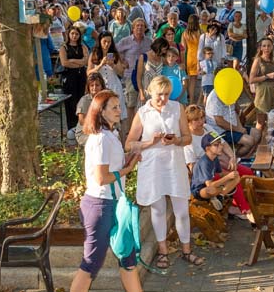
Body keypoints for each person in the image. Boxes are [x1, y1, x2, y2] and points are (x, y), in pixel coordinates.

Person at [125, 76, 201, 270]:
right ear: (151, 92)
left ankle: (186, 250)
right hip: (152, 167)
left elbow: (187, 138)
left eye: (167, 94)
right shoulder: (143, 112)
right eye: (160, 94)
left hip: (174, 163)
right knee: (158, 209)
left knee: (181, 210)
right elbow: (129, 144)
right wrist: (150, 142)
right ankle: (163, 251)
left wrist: (175, 140)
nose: (163, 99)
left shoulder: (177, 108)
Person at [70, 91, 142, 292]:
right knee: (91, 263)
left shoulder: (111, 134)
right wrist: (127, 169)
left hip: (114, 204)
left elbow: (112, 168)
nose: (120, 110)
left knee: (127, 257)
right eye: (114, 107)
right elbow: (101, 178)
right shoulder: (100, 138)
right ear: (101, 111)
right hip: (101, 206)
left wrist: (129, 159)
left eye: (119, 106)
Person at [190, 131, 253, 221]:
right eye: (216, 145)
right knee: (211, 189)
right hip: (200, 190)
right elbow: (210, 185)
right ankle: (221, 196)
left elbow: (219, 173)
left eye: (220, 144)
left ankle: (220, 196)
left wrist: (230, 175)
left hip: (213, 185)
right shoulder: (204, 162)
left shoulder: (214, 158)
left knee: (236, 177)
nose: (221, 147)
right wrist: (227, 178)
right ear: (208, 148)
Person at [205, 85, 262, 158]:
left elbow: (234, 112)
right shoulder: (214, 98)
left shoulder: (230, 93)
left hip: (232, 127)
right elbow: (219, 122)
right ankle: (235, 159)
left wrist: (240, 128)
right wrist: (238, 129)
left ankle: (246, 158)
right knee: (249, 141)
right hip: (220, 131)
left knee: (257, 133)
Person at [116, 19, 153, 133]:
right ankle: (131, 130)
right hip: (130, 75)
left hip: (145, 76)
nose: (140, 28)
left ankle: (145, 129)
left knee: (146, 103)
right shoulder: (126, 41)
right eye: (137, 26)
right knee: (131, 103)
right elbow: (115, 50)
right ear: (133, 28)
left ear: (145, 28)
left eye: (142, 26)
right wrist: (122, 61)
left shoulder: (149, 42)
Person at [88, 31, 127, 121]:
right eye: (104, 41)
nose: (107, 44)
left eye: (109, 42)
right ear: (100, 42)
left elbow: (121, 73)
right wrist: (100, 65)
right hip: (99, 87)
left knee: (117, 113)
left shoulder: (115, 55)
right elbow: (89, 73)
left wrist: (113, 65)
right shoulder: (94, 55)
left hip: (114, 86)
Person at [59, 25, 89, 130]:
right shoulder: (64, 48)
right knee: (70, 102)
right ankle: (71, 127)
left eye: (76, 34)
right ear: (68, 34)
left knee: (80, 100)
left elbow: (86, 60)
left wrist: (73, 61)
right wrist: (78, 63)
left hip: (81, 76)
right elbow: (65, 63)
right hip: (69, 77)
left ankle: (80, 125)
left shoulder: (82, 46)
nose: (74, 36)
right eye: (72, 34)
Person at [249, 37, 274, 132]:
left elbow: (272, 76)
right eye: (264, 46)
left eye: (269, 46)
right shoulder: (258, 60)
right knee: (261, 122)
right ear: (261, 48)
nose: (266, 48)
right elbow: (251, 79)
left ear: (272, 47)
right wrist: (267, 76)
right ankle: (256, 143)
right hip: (263, 93)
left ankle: (271, 143)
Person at [135, 37, 169, 104]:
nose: (165, 51)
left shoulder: (163, 59)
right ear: (158, 47)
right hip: (146, 92)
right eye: (164, 49)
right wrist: (141, 93)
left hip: (159, 93)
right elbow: (138, 78)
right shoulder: (143, 57)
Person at [181, 14, 202, 103]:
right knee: (203, 80)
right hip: (200, 57)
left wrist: (183, 61)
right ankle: (200, 100)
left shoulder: (185, 33)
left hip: (190, 57)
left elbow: (183, 49)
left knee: (192, 80)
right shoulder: (200, 32)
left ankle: (191, 100)